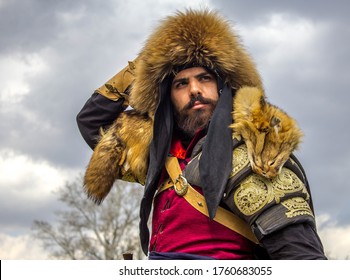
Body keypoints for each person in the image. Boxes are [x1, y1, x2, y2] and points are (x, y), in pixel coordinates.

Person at [77, 9, 327, 260]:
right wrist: (146, 66)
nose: (194, 89)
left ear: (223, 88)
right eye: (181, 83)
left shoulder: (252, 152)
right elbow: (91, 122)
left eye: (204, 78)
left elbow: (302, 257)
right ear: (167, 97)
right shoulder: (160, 155)